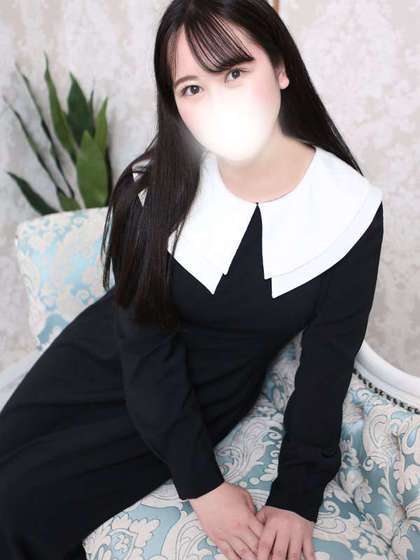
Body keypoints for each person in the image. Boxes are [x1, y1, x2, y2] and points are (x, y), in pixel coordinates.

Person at [0, 1, 384, 559]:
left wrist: (297, 496)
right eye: (192, 88)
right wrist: (205, 489)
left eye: (234, 73)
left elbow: (328, 366)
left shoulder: (350, 208)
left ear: (281, 67)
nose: (218, 102)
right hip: (97, 366)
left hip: (195, 402)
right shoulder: (151, 189)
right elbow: (144, 348)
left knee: (15, 506)